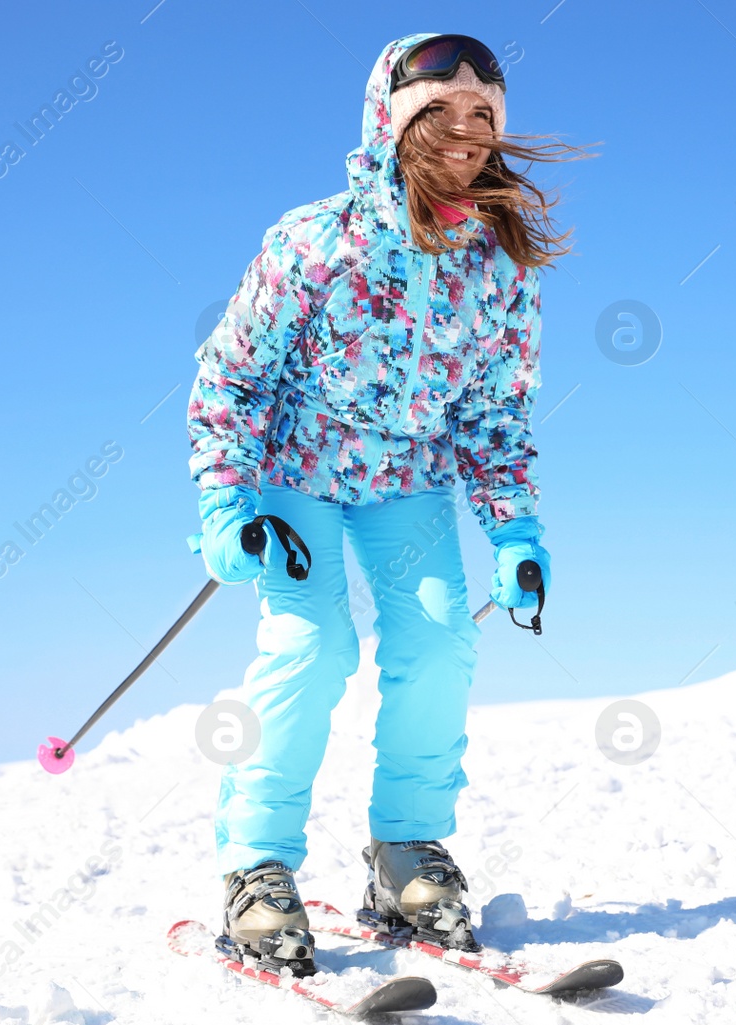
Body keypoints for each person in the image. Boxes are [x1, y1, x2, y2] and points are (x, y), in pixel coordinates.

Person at [185, 31, 589, 975]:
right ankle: (256, 867)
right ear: (391, 123)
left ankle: (405, 850)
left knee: (442, 635)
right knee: (313, 645)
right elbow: (231, 377)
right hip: (294, 475)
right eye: (436, 113)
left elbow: (494, 415)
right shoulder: (314, 241)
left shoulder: (499, 268)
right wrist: (226, 499)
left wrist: (514, 529)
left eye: (481, 116)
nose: (463, 131)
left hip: (406, 484)